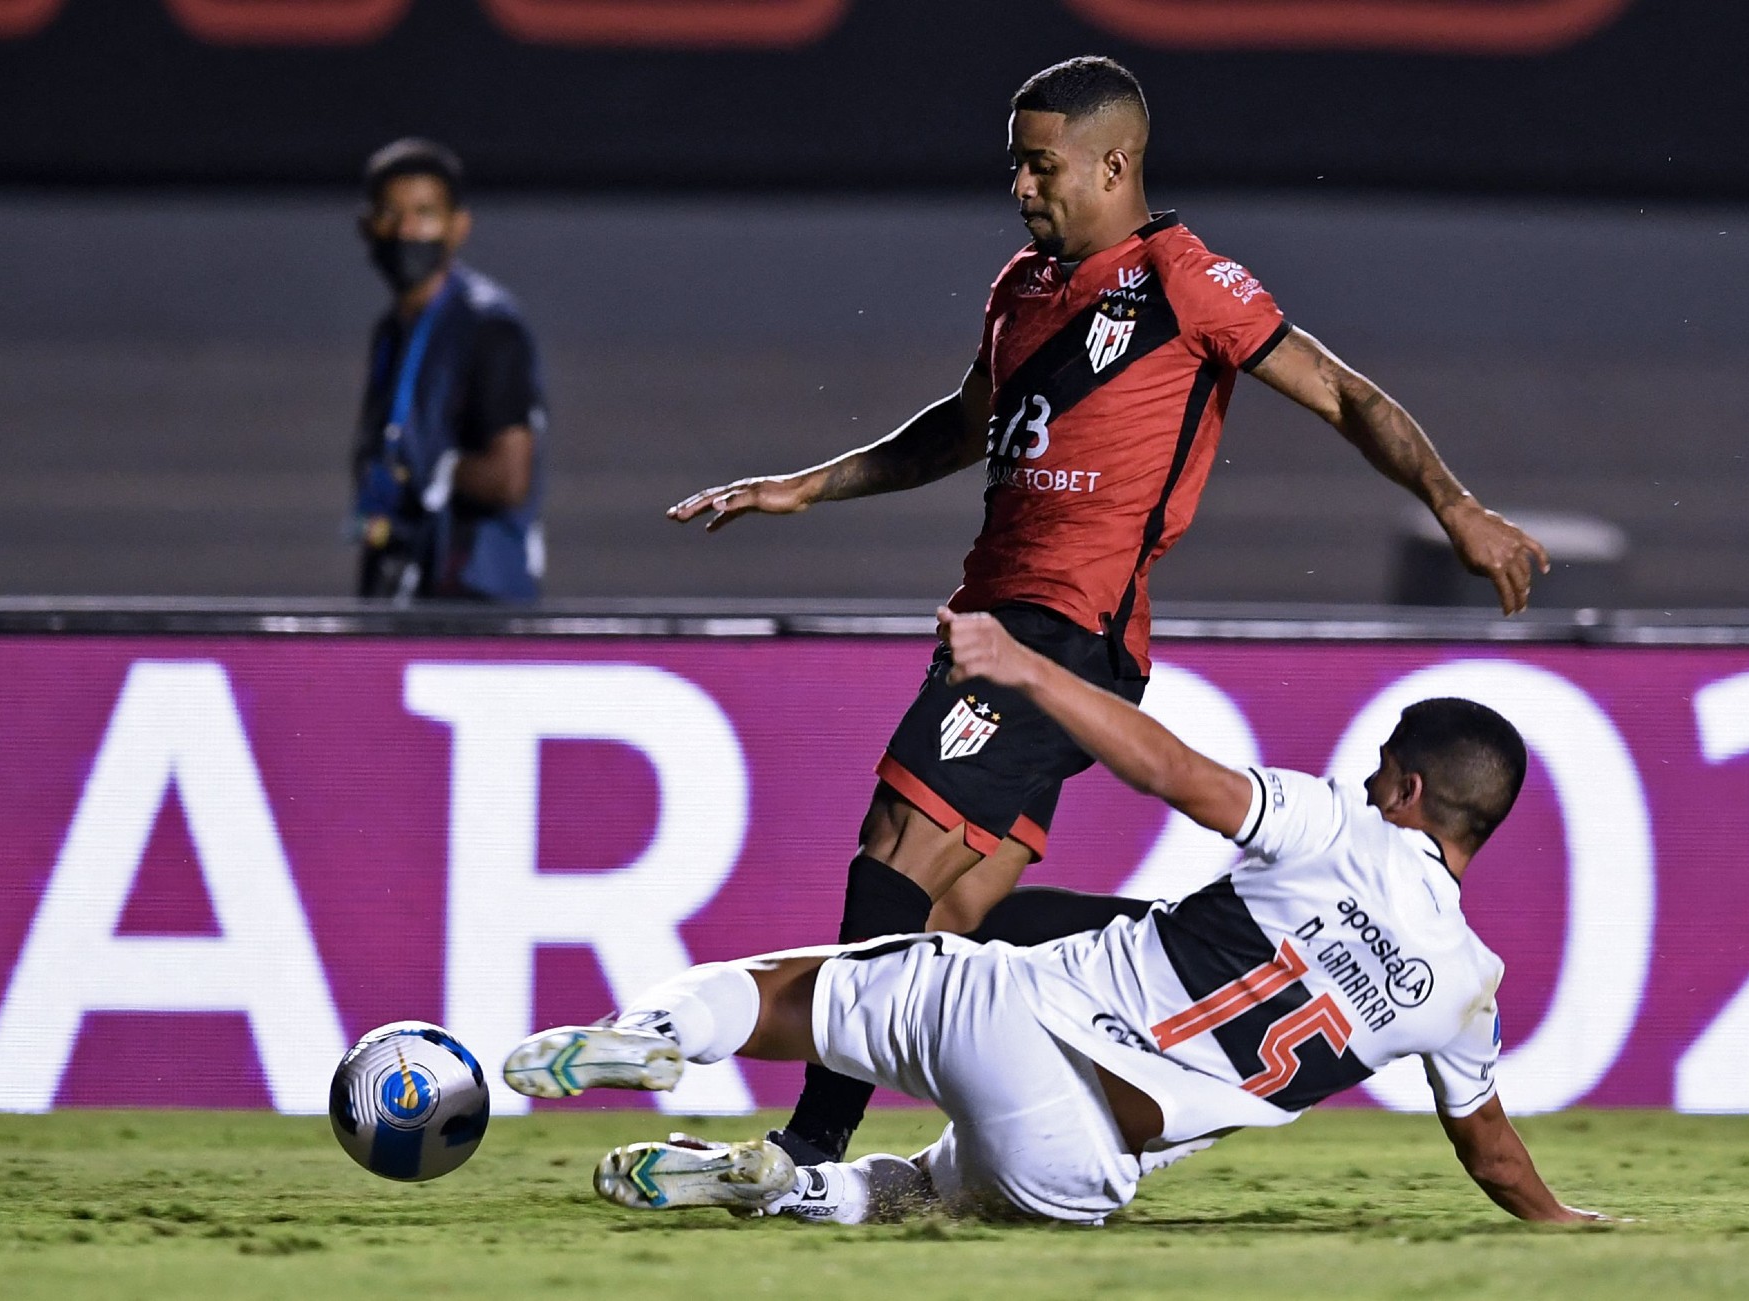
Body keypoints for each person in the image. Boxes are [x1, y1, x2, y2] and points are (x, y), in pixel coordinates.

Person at [664, 55, 1550, 1167]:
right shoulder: (1022, 288)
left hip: (1063, 629)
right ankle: (1116, 988)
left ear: (1115, 162)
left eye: (1043, 166)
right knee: (953, 918)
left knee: (892, 849)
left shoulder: (1188, 281)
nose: (1024, 189)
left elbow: (1346, 395)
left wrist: (1456, 504)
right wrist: (813, 482)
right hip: (1003, 611)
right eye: (1016, 168)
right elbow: (965, 427)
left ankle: (808, 1144)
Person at [502, 606, 1601, 1228]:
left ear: (1407, 789)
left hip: (1022, 1016)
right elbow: (1492, 1149)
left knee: (793, 986)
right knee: (931, 1187)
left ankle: (651, 1036)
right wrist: (1562, 1223)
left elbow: (1173, 768)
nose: (1366, 785)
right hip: (1088, 1164)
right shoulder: (1470, 989)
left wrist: (1026, 666)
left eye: (1379, 775)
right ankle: (792, 1186)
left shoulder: (1332, 823)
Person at [352, 137, 546, 602]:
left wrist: (436, 473)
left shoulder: (488, 327)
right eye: (391, 214)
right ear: (367, 226)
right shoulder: (392, 330)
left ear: (458, 226)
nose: (407, 230)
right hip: (406, 587)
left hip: (474, 602)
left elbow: (509, 478)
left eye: (424, 213)